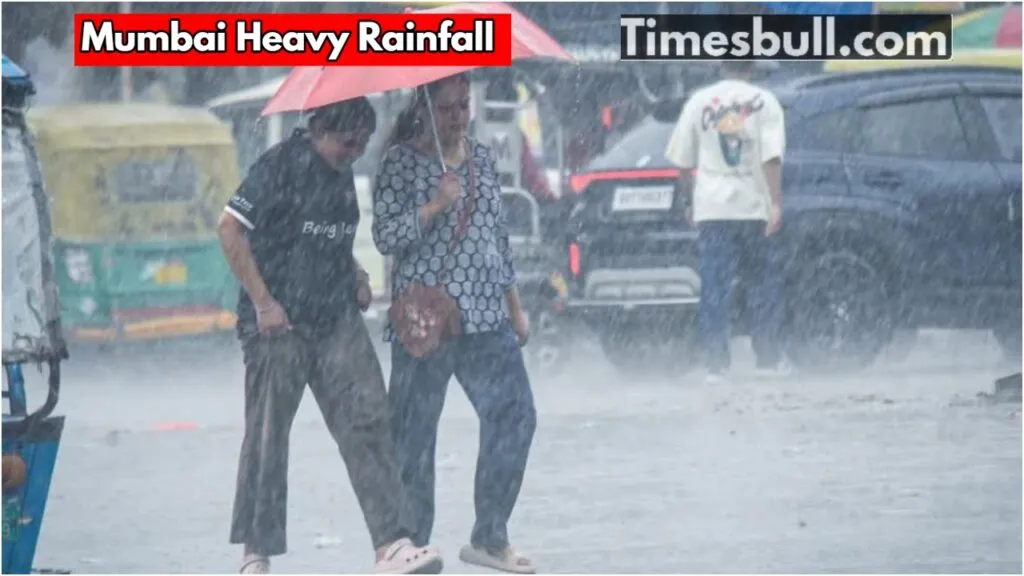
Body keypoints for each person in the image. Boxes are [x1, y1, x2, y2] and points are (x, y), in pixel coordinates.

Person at [217, 97, 444, 575]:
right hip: (278, 326)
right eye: (347, 142)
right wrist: (263, 302)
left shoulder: (341, 177)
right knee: (268, 437)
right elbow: (229, 230)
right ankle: (256, 553)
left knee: (369, 421)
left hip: (335, 318)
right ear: (321, 128)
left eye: (362, 144)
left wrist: (357, 273)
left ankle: (392, 544)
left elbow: (328, 241)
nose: (354, 152)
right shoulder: (278, 167)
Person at [371, 73, 538, 574]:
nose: (458, 117)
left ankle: (490, 537)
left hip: (486, 316)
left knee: (515, 414)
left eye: (464, 106)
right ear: (424, 107)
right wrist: (433, 207)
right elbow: (384, 235)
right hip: (426, 322)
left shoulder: (482, 158)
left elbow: (495, 237)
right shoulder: (399, 162)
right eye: (447, 108)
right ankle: (412, 544)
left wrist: (515, 306)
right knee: (414, 436)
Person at [664, 60, 790, 384]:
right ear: (753, 66)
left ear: (720, 66)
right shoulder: (766, 103)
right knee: (762, 284)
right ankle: (768, 359)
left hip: (713, 207)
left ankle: (715, 365)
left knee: (715, 286)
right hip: (753, 206)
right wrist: (775, 202)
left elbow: (682, 161)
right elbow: (771, 158)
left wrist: (689, 201)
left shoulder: (698, 102)